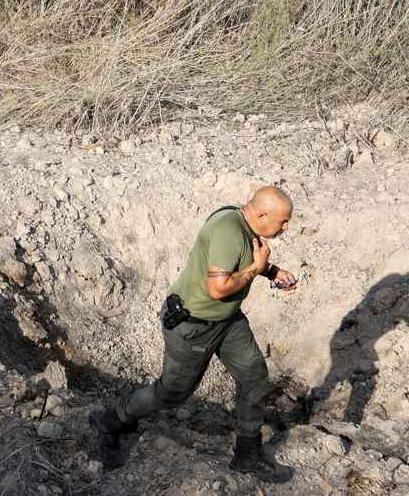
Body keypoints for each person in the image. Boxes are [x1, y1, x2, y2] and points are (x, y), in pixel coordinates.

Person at [89, 186, 299, 482]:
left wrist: (271, 271)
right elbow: (218, 288)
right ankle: (112, 421)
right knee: (172, 392)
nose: (286, 227)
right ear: (262, 215)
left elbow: (242, 259)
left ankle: (247, 455)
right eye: (283, 221)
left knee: (254, 376)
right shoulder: (228, 231)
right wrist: (257, 268)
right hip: (194, 325)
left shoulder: (245, 223)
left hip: (227, 320)